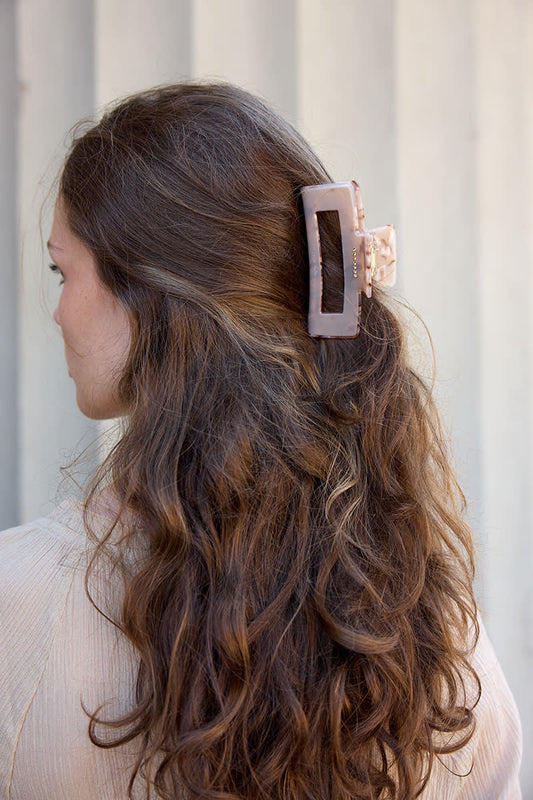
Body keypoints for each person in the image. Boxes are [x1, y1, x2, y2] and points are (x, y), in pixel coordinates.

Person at [0, 83, 522, 800]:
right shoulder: (435, 635)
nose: (57, 311)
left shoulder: (20, 605)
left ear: (151, 297)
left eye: (63, 271)